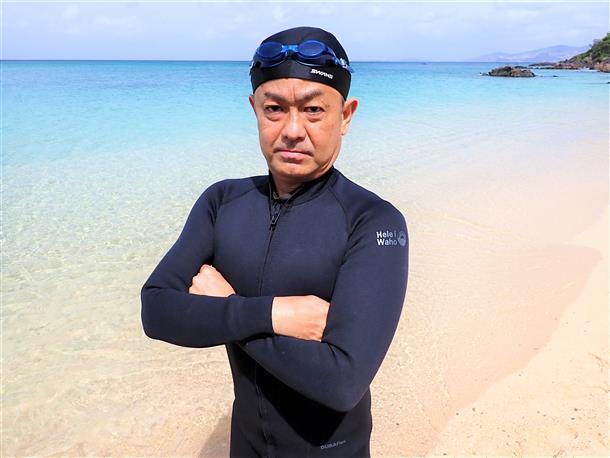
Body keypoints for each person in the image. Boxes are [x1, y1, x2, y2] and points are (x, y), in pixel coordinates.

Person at [140, 25, 409, 458]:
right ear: (255, 110)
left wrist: (225, 308)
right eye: (274, 109)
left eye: (314, 110)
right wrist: (273, 314)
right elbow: (156, 311)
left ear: (346, 116)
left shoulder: (373, 221)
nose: (292, 130)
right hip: (245, 444)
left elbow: (342, 382)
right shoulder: (222, 202)